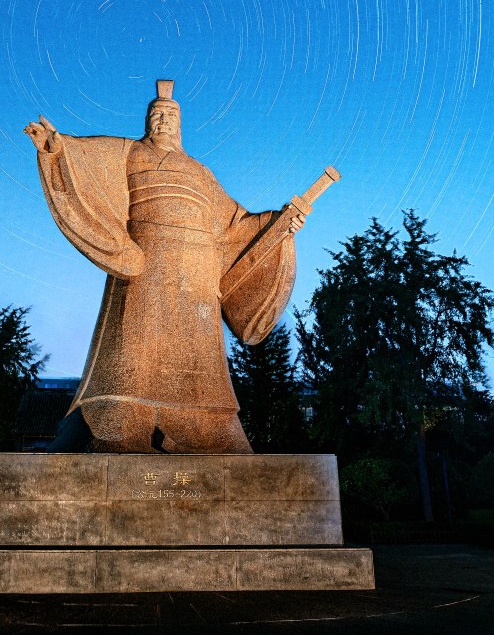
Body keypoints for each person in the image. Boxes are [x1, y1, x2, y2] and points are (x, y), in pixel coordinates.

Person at [25, 80, 304, 453]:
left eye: (170, 115)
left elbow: (234, 222)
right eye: (156, 114)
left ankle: (207, 428)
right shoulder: (129, 152)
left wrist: (277, 221)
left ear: (180, 123)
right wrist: (55, 146)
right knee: (130, 352)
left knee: (199, 361)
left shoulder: (200, 171)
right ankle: (119, 426)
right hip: (149, 262)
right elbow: (86, 157)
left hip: (198, 272)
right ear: (146, 121)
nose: (162, 120)